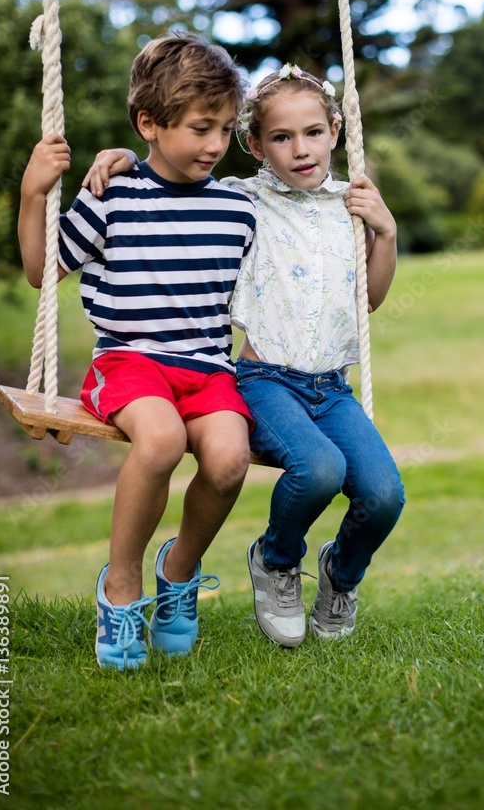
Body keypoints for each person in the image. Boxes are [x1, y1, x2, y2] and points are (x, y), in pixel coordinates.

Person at [85, 62, 405, 649]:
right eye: (280, 138)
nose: (300, 150)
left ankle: (341, 574)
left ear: (335, 130)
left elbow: (371, 300)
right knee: (320, 471)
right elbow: (175, 179)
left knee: (385, 495)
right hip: (263, 378)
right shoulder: (241, 199)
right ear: (254, 145)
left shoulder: (352, 205)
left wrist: (384, 234)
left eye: (313, 133)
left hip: (332, 386)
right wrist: (121, 157)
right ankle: (277, 562)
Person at [18, 33, 256, 670]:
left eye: (226, 129)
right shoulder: (113, 196)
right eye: (201, 128)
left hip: (208, 369)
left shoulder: (239, 207)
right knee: (160, 441)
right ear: (149, 123)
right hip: (129, 362)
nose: (215, 145)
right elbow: (43, 271)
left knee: (230, 457)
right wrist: (32, 193)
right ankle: (120, 588)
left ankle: (176, 575)